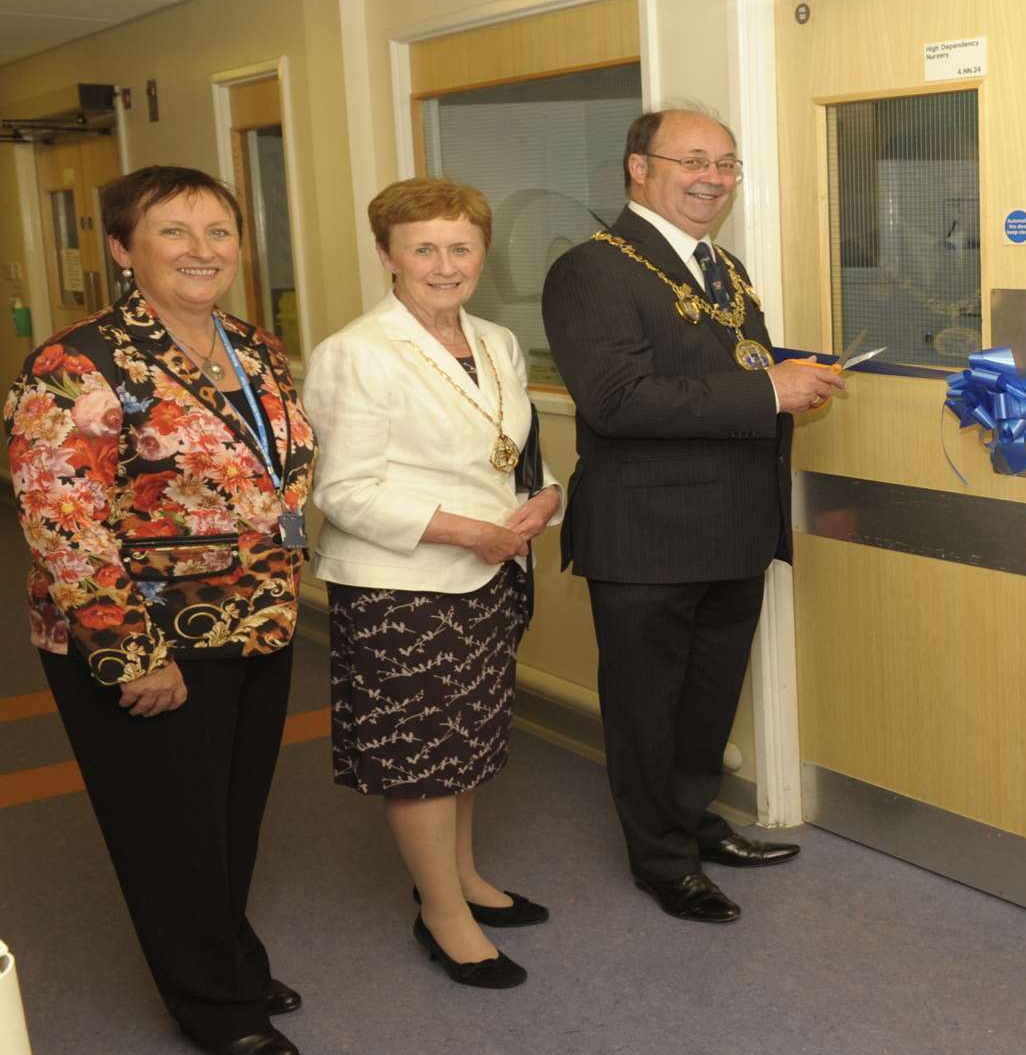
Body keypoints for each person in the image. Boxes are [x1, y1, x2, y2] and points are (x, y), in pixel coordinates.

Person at [4, 166, 315, 1055]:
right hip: (143, 636)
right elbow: (64, 523)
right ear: (122, 250)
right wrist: (129, 653)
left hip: (255, 620)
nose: (202, 249)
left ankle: (227, 958)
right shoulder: (77, 363)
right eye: (174, 231)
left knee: (229, 816)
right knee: (170, 830)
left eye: (218, 231)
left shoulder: (255, 347)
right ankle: (218, 1011)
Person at [541, 107, 841, 923]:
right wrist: (765, 390)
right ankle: (662, 859)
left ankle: (695, 820)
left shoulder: (725, 267)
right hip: (646, 539)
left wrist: (786, 373)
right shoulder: (592, 270)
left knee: (707, 700)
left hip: (734, 527)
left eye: (728, 163)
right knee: (648, 709)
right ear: (639, 167)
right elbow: (616, 401)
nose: (714, 177)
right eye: (694, 159)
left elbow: (728, 369)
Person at [303, 177, 561, 988]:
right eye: (424, 248)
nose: (445, 265)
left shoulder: (495, 340)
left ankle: (466, 879)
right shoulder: (356, 353)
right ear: (387, 255)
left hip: (489, 576)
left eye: (461, 247)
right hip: (401, 588)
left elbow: (511, 448)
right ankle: (441, 914)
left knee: (469, 744)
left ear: (482, 253)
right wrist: (469, 531)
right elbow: (342, 491)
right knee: (420, 757)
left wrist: (547, 496)